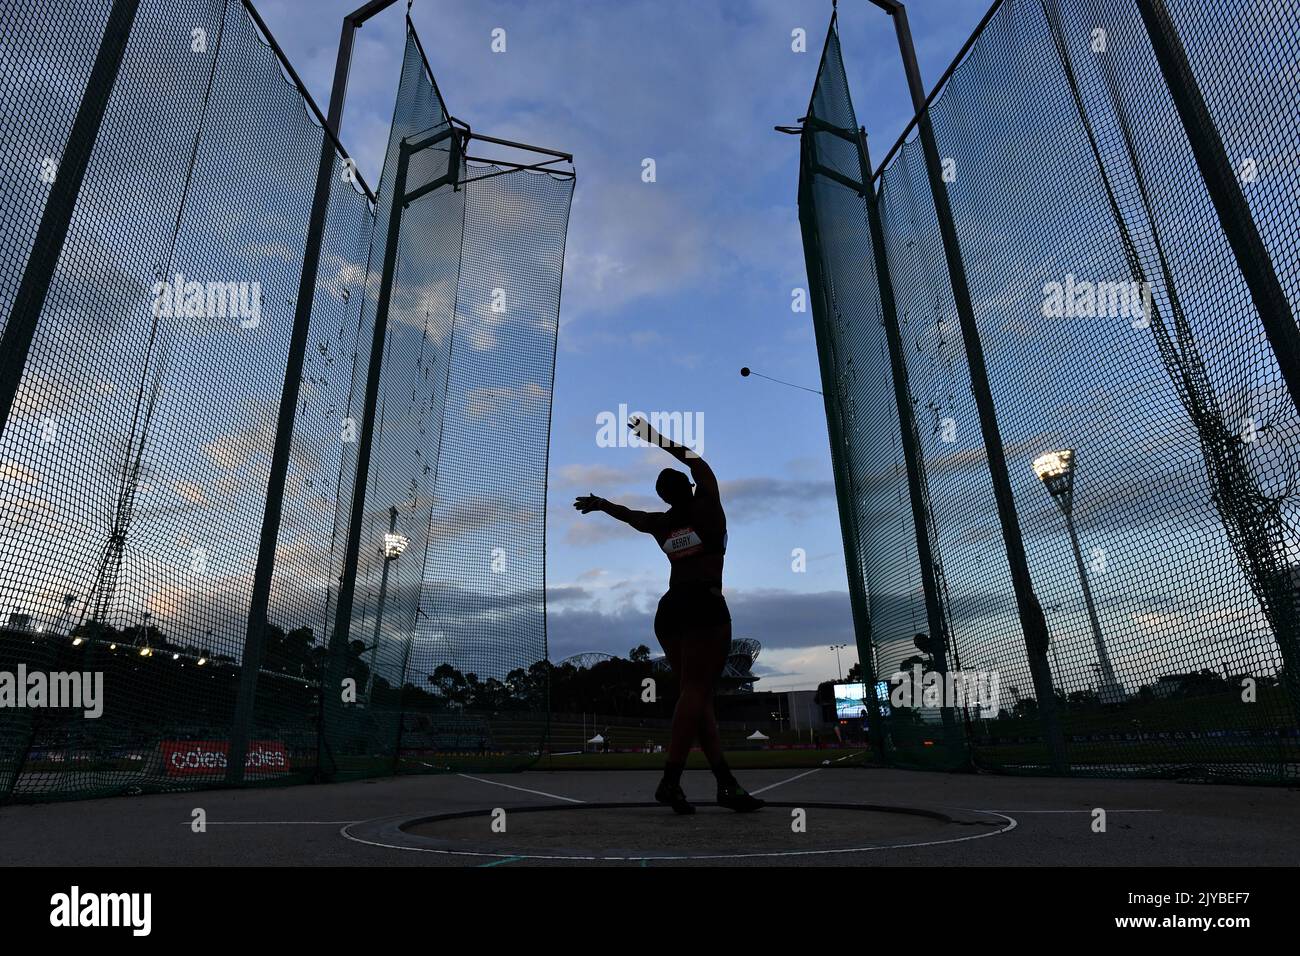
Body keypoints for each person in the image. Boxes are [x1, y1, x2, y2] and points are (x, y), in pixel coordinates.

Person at [573, 416, 764, 814]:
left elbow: (629, 515)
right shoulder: (707, 504)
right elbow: (694, 459)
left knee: (697, 698)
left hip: (670, 611)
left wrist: (601, 503)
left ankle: (726, 785)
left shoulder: (662, 523)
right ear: (689, 486)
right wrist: (652, 437)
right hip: (703, 607)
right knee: (696, 693)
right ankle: (670, 780)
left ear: (663, 498)